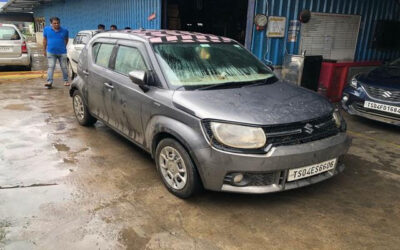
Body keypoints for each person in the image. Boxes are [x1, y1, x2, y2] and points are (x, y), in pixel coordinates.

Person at [43, 17, 69, 88]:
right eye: (54, 23)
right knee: (51, 67)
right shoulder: (46, 29)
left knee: (64, 67)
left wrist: (62, 46)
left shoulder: (65, 31)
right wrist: (44, 50)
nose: (56, 24)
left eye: (58, 23)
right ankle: (49, 82)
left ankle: (66, 80)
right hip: (51, 52)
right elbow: (45, 40)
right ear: (51, 23)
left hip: (62, 52)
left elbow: (66, 40)